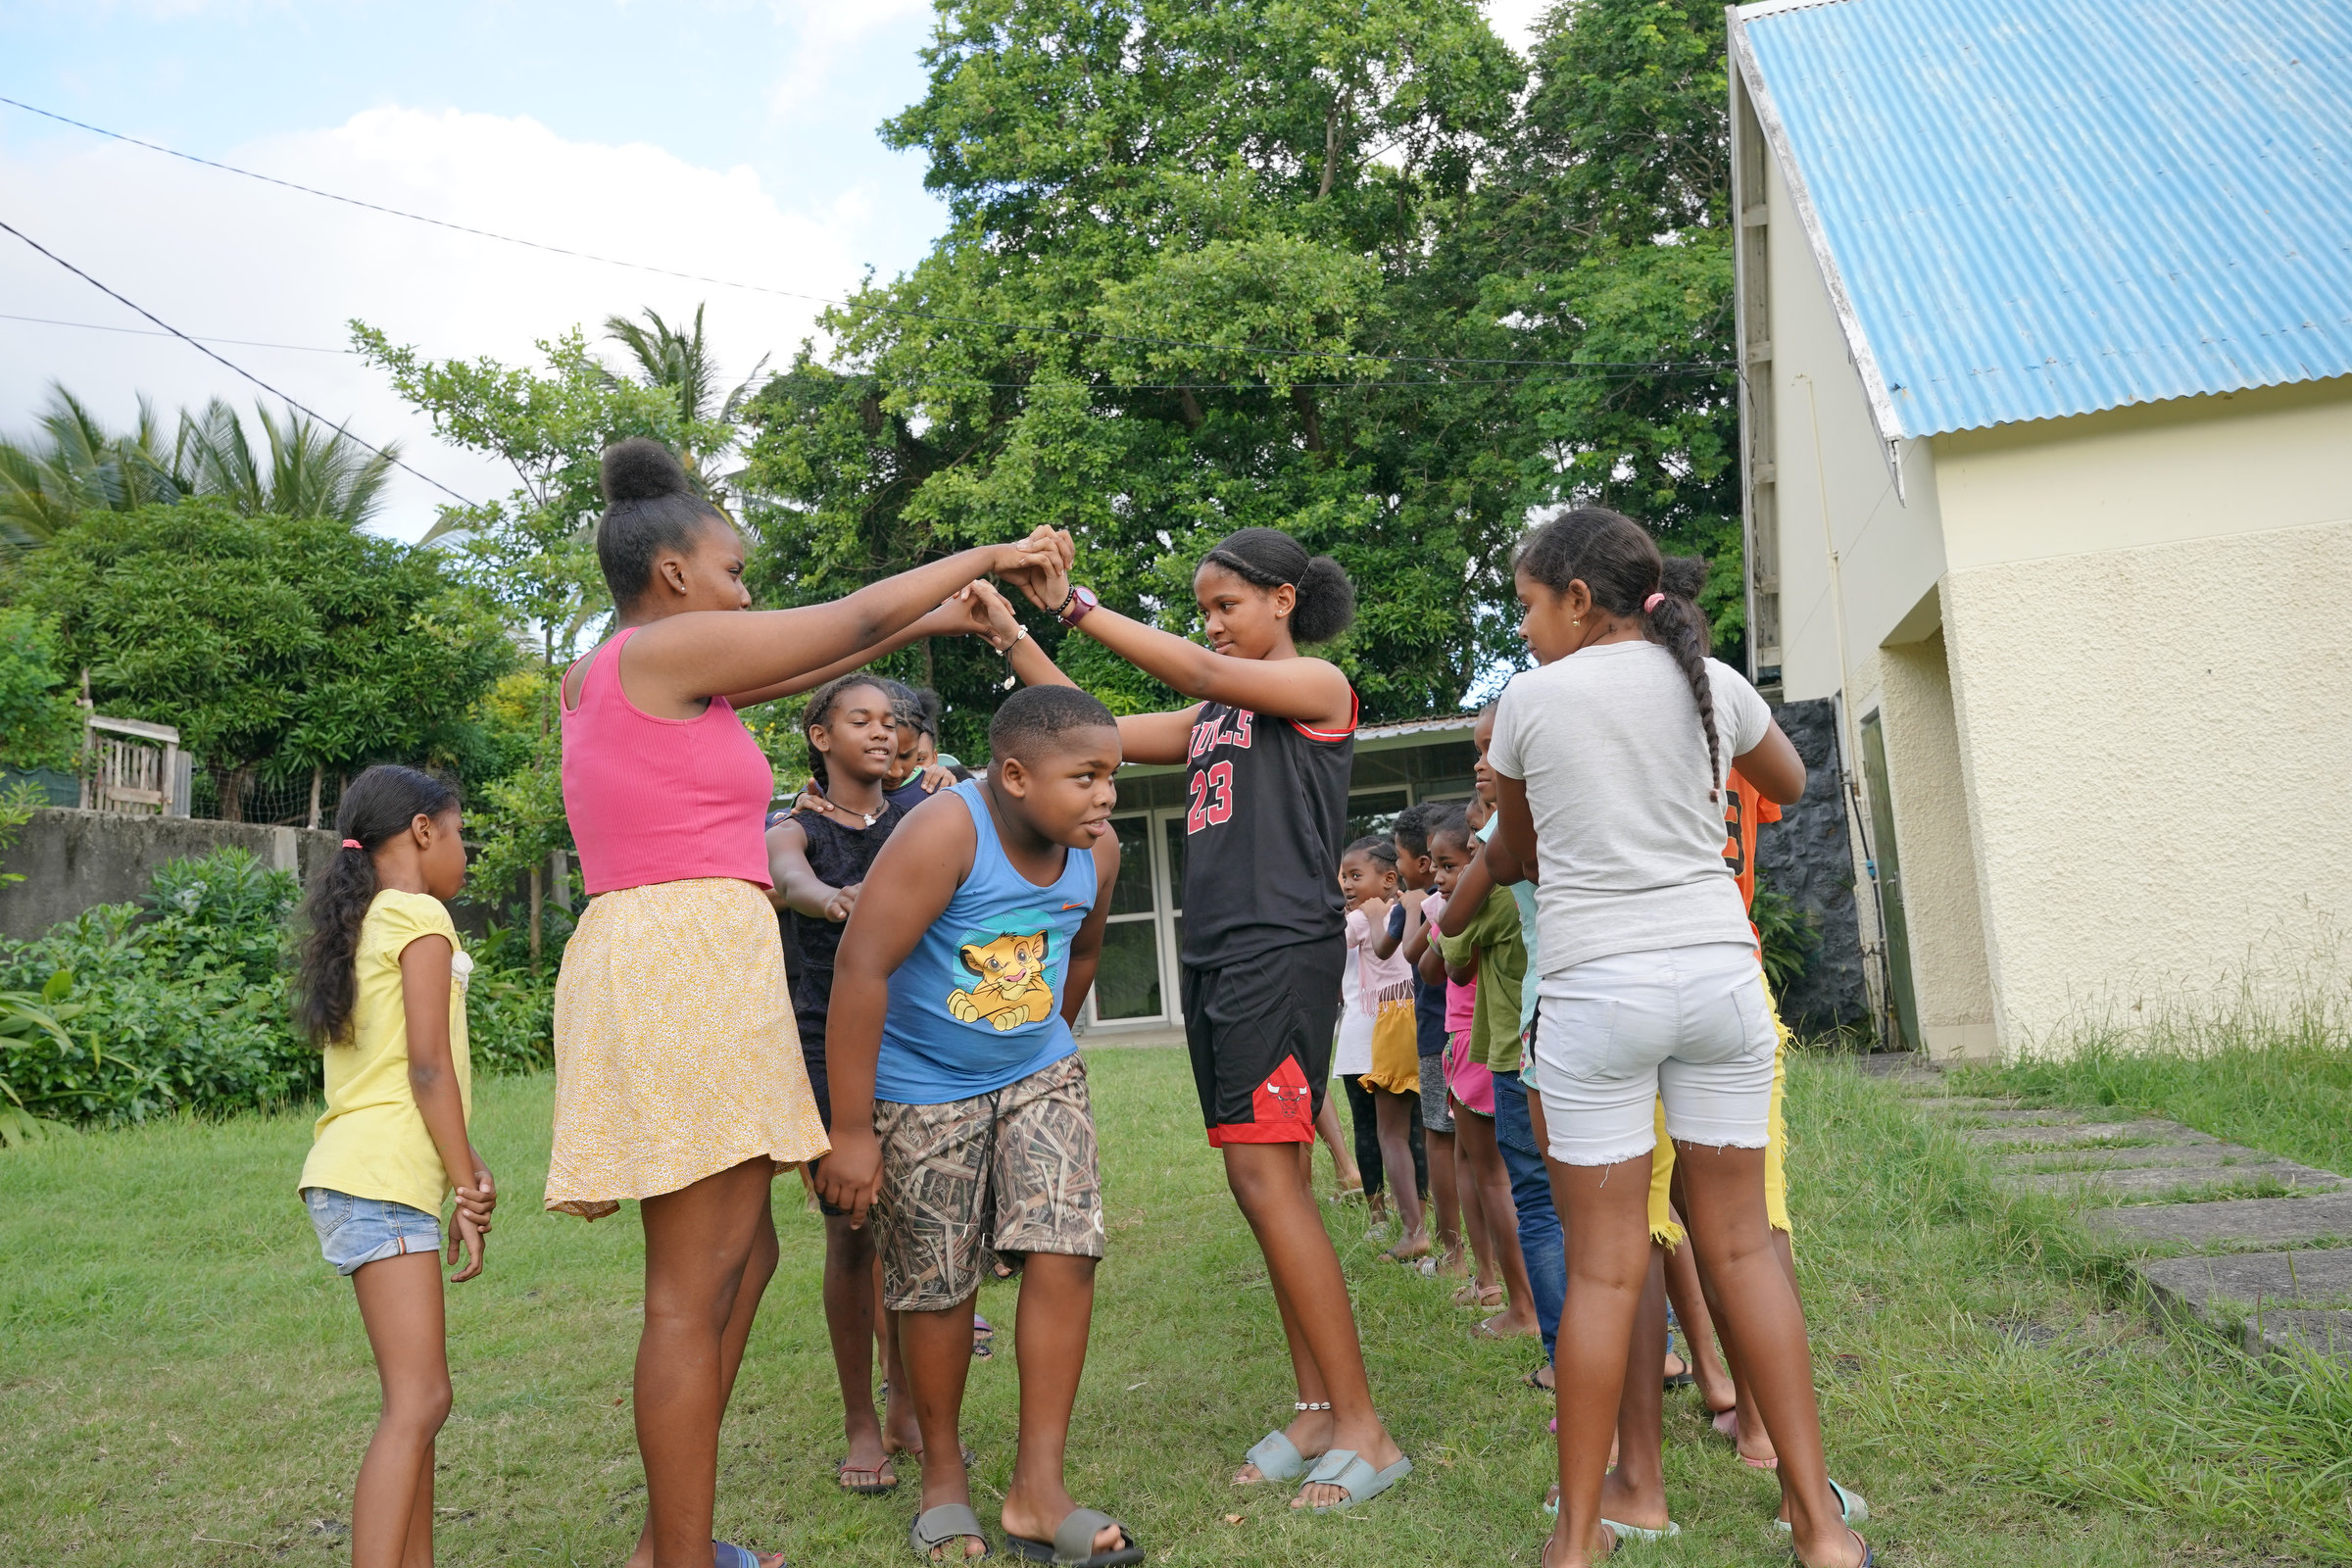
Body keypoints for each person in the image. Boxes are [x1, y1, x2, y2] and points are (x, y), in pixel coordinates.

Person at [549, 437, 1067, 1568]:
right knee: (692, 1291)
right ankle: (674, 1563)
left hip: (672, 959)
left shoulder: (628, 669)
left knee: (747, 1262)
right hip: (683, 962)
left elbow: (820, 657)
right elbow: (837, 625)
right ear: (677, 574)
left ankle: (666, 1544)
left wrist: (942, 622)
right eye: (734, 570)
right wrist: (993, 552)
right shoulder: (663, 648)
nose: (747, 591)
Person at [979, 532, 1411, 1511]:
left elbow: (1209, 669)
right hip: (1219, 956)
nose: (1211, 624)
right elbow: (1091, 733)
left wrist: (1077, 604)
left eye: (1226, 604)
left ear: (1283, 599)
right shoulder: (1217, 711)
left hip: (1276, 954)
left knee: (1269, 1180)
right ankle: (1314, 1408)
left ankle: (1364, 1428)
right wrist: (1015, 635)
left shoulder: (1317, 686)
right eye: (1203, 608)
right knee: (1267, 1184)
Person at [1484, 505, 1866, 1568]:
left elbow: (1514, 854)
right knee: (1744, 1247)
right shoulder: (1713, 681)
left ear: (1575, 598)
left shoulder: (1531, 700)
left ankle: (1577, 1542)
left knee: (1607, 1275)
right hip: (1718, 979)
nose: (1524, 629)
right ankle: (1820, 1526)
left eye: (1526, 606)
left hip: (1595, 993)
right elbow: (1787, 782)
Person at [816, 685, 1140, 1567]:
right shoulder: (947, 830)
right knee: (936, 1279)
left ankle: (1039, 1489)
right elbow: (861, 967)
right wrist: (851, 1131)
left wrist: (1045, 1041)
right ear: (1015, 775)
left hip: (1037, 1070)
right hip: (919, 1089)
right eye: (1086, 777)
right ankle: (945, 1481)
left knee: (1068, 1245)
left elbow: (1083, 950)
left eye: (1112, 775)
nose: (1106, 795)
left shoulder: (1097, 851)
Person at [293, 764, 494, 1568]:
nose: (465, 854)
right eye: (459, 835)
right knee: (420, 1401)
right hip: (379, 1180)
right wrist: (467, 1181)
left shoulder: (367, 917)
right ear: (421, 831)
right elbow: (427, 1069)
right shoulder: (418, 916)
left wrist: (463, 1169)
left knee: (420, 1407)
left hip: (362, 1176)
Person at [765, 675, 922, 1494]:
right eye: (859, 720)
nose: (881, 733)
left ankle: (907, 1403)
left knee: (918, 1229)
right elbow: (789, 882)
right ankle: (862, 1419)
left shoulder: (924, 818)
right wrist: (835, 902)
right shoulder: (793, 829)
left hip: (925, 1035)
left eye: (891, 722)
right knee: (853, 1230)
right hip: (832, 1043)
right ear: (820, 736)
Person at [1432, 797, 1541, 1341]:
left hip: (1509, 1048)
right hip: (1523, 1043)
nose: (1459, 872)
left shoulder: (1498, 894)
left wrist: (1447, 911)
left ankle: (1522, 1305)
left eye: (1470, 857)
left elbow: (1445, 961)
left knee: (1509, 1184)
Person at [1410, 808, 1499, 1313]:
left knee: (1478, 1167)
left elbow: (1432, 969)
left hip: (1470, 1041)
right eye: (1435, 869)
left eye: (1449, 866)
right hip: (1470, 1040)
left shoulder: (1469, 909)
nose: (1439, 879)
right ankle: (1494, 1277)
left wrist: (1442, 919)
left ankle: (1488, 1280)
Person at [1383, 804, 1464, 1277]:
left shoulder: (1431, 901)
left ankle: (1453, 1254)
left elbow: (1410, 954)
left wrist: (1414, 906)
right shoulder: (1465, 894)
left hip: (1440, 1034)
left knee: (1439, 1139)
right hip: (1463, 1032)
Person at [1340, 836, 1428, 1262]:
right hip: (1418, 1020)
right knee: (1421, 1132)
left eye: (1355, 876)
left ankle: (1409, 1227)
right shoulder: (1415, 908)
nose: (1346, 885)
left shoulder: (1364, 919)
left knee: (1387, 1134)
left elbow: (1340, 945)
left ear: (1389, 878)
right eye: (1344, 877)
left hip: (1385, 1027)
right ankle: (1424, 1221)